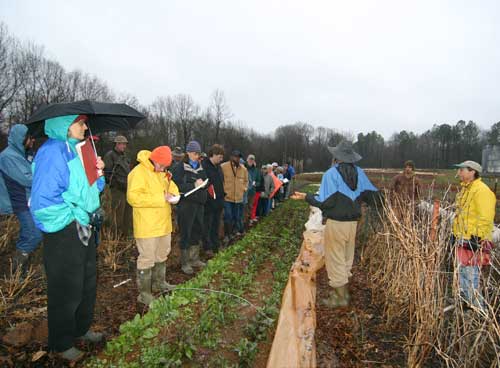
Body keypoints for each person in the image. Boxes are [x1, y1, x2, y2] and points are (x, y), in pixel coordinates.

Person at [30, 115, 106, 361]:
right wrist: (75, 216)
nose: (85, 127)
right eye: (80, 123)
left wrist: (99, 172)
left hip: (84, 225)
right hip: (64, 230)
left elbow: (94, 189)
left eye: (84, 123)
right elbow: (43, 203)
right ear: (64, 126)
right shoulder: (52, 152)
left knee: (86, 281)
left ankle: (80, 329)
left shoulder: (81, 150)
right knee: (66, 287)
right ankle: (61, 343)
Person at [293, 141, 378, 308]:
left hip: (336, 223)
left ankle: (341, 298)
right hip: (353, 224)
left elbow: (323, 202)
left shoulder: (331, 174)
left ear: (337, 157)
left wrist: (306, 197)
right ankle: (344, 290)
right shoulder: (360, 173)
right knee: (347, 256)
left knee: (335, 258)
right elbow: (374, 197)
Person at [127, 146, 180, 305]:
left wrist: (175, 196)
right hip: (147, 225)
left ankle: (159, 283)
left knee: (162, 254)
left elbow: (171, 187)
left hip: (163, 224)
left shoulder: (162, 173)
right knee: (147, 258)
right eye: (162, 165)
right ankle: (144, 294)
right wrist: (160, 198)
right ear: (154, 159)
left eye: (165, 167)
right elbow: (133, 197)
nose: (163, 169)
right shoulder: (138, 172)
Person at [451, 160, 496, 310]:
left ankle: (477, 310)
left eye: (461, 170)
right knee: (463, 273)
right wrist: (455, 234)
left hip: (473, 240)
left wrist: (479, 238)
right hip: (463, 238)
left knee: (471, 275)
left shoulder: (481, 191)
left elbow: (486, 217)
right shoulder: (465, 190)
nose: (459, 173)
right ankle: (467, 305)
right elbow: (462, 215)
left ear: (472, 172)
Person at [0, 124, 43, 273]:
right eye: (30, 138)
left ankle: (21, 268)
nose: (32, 141)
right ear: (21, 138)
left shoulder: (22, 154)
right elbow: (28, 179)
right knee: (33, 234)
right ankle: (15, 270)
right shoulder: (8, 156)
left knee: (31, 233)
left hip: (27, 201)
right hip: (19, 202)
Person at [172, 140, 207, 275]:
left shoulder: (201, 166)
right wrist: (193, 186)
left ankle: (194, 258)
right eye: (193, 153)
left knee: (197, 230)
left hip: (199, 204)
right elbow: (176, 186)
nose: (196, 156)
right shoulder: (180, 168)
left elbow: (205, 181)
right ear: (187, 153)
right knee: (186, 231)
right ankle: (185, 262)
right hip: (186, 204)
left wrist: (205, 186)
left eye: (198, 153)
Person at [103, 135, 132, 237]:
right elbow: (107, 174)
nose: (124, 146)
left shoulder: (125, 157)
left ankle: (124, 237)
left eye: (125, 144)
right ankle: (114, 238)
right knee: (117, 216)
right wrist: (116, 184)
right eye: (122, 144)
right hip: (116, 190)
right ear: (117, 144)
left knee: (127, 215)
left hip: (127, 189)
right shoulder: (110, 156)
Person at [201, 144, 225, 255]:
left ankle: (216, 246)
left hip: (219, 202)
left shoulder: (218, 167)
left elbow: (220, 183)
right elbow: (205, 185)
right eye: (220, 157)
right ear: (213, 155)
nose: (221, 159)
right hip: (208, 203)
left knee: (216, 225)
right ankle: (207, 247)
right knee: (207, 226)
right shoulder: (204, 166)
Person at [221, 150, 248, 243]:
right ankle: (226, 235)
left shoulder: (243, 169)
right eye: (235, 156)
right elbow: (221, 180)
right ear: (231, 157)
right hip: (227, 197)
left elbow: (246, 181)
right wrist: (223, 190)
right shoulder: (224, 167)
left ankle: (233, 233)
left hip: (238, 198)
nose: (237, 158)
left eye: (238, 157)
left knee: (236, 217)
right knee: (228, 216)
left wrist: (244, 189)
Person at [245, 154, 261, 226]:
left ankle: (249, 220)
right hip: (244, 191)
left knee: (250, 206)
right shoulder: (243, 168)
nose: (251, 161)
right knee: (243, 206)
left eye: (252, 160)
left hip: (252, 191)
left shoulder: (256, 170)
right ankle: (243, 221)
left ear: (254, 161)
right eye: (250, 159)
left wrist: (255, 184)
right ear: (247, 159)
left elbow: (259, 181)